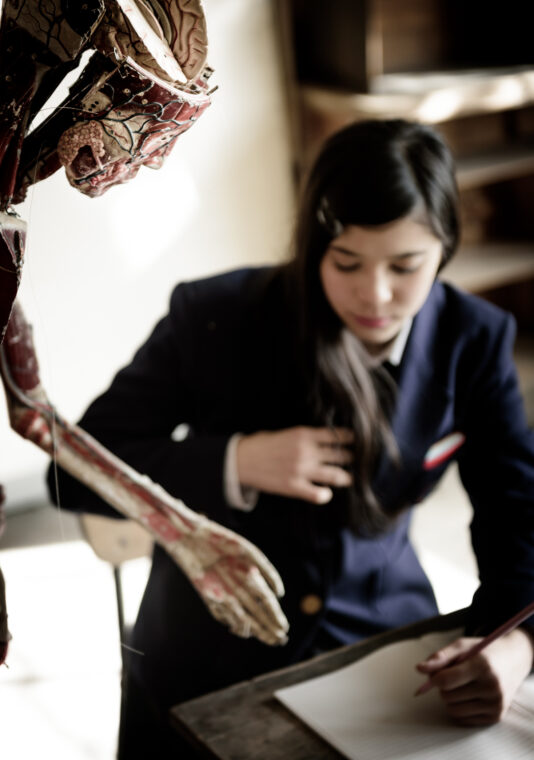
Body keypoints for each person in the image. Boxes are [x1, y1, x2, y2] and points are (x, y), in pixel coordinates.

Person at [48, 119, 534, 756]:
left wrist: (516, 644)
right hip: (204, 652)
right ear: (314, 244)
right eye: (347, 262)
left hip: (383, 643)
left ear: (445, 247)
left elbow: (517, 512)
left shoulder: (475, 339)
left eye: (406, 265)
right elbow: (73, 472)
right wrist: (234, 461)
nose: (376, 294)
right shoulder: (215, 316)